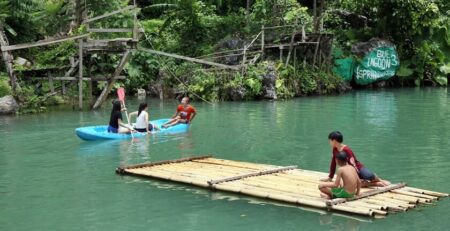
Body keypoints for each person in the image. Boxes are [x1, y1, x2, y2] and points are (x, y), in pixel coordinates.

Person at [321, 131, 390, 187]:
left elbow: (353, 164)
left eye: (330, 140)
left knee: (368, 176)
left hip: (358, 168)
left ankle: (380, 180)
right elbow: (333, 162)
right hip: (348, 171)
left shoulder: (347, 150)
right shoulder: (335, 149)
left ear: (334, 141)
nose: (329, 142)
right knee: (348, 184)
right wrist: (330, 177)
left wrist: (357, 176)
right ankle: (374, 184)